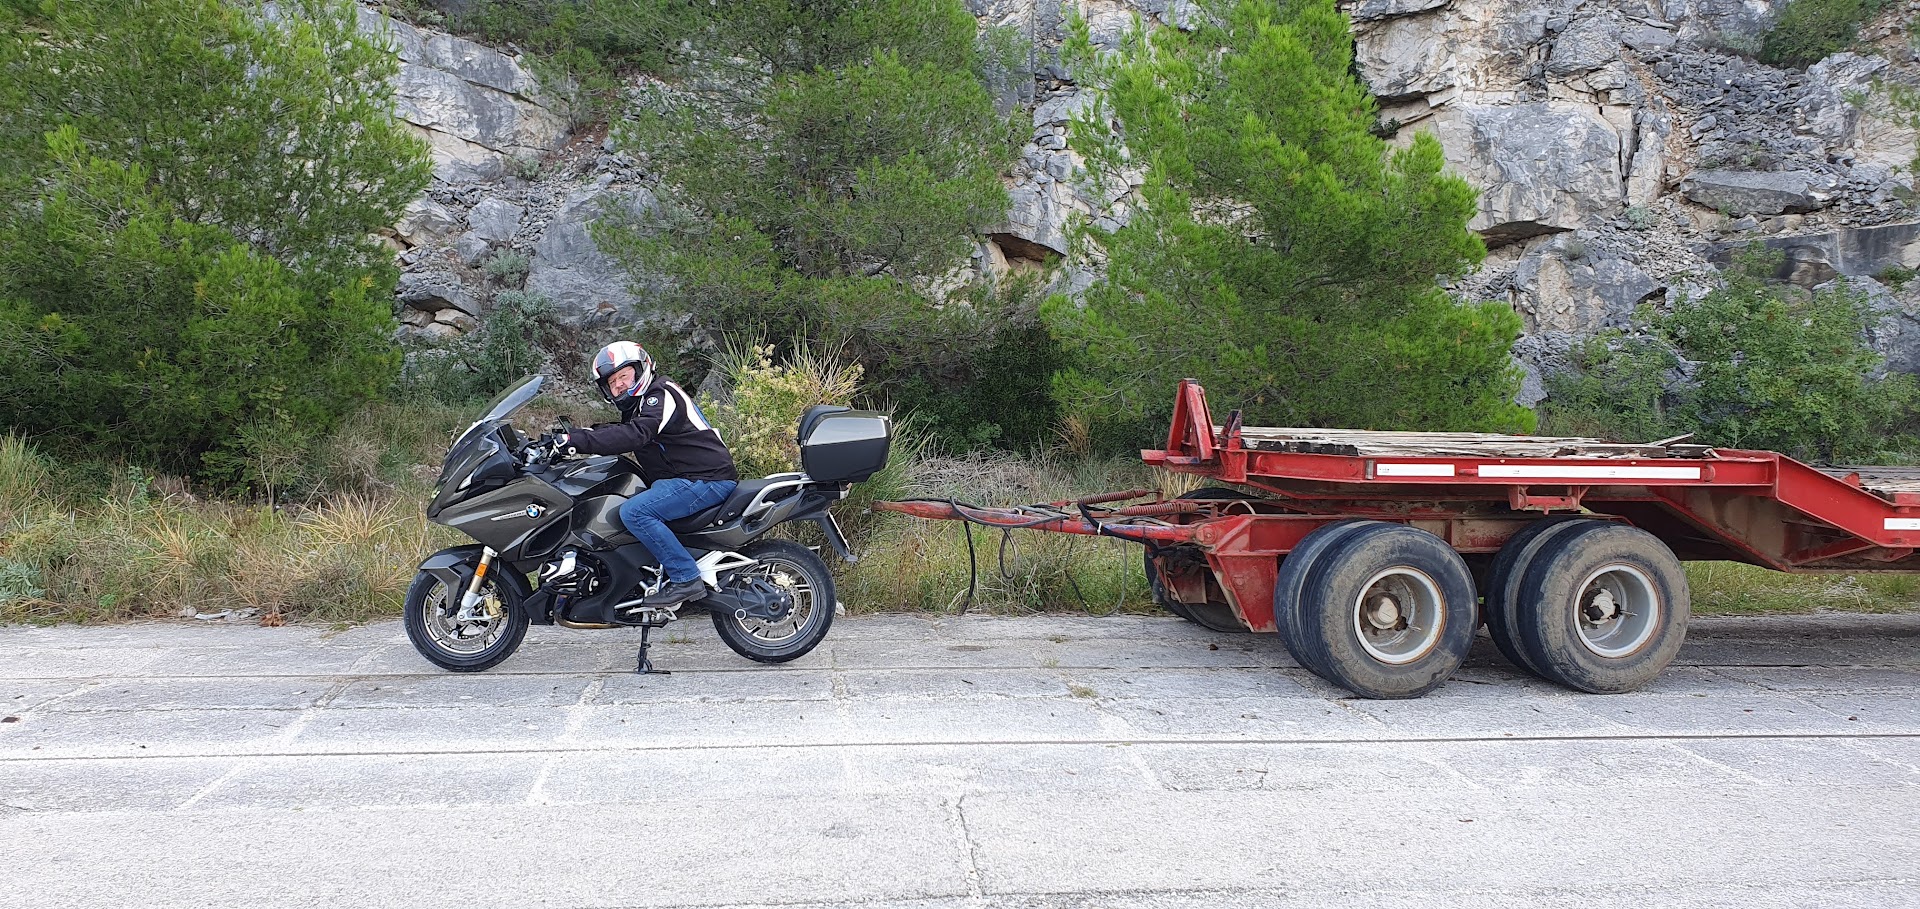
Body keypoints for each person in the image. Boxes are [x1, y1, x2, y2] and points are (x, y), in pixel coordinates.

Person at [556, 341, 738, 607]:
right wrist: (573, 438)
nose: (618, 385)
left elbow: (637, 433)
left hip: (705, 479)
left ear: (641, 369)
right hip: (686, 479)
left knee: (635, 512)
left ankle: (686, 578)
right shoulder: (640, 406)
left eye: (623, 376)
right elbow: (620, 432)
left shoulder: (660, 394)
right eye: (612, 382)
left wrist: (579, 440)